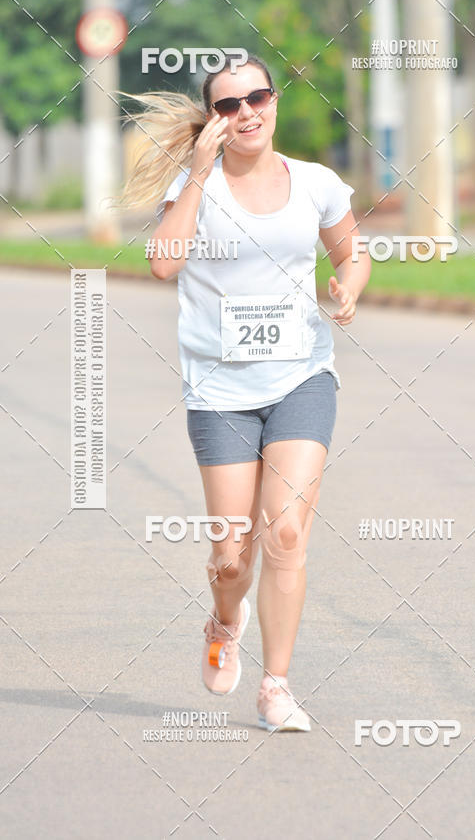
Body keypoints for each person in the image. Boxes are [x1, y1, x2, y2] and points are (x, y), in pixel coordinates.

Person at [119, 53, 371, 731]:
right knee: (232, 555)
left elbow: (353, 250)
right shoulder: (194, 187)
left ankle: (277, 686)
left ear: (274, 100)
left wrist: (348, 288)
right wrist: (198, 174)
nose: (246, 113)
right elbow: (164, 264)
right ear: (213, 120)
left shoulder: (316, 183)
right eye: (228, 106)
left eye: (256, 97)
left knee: (286, 531)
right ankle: (225, 621)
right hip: (219, 390)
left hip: (301, 377)